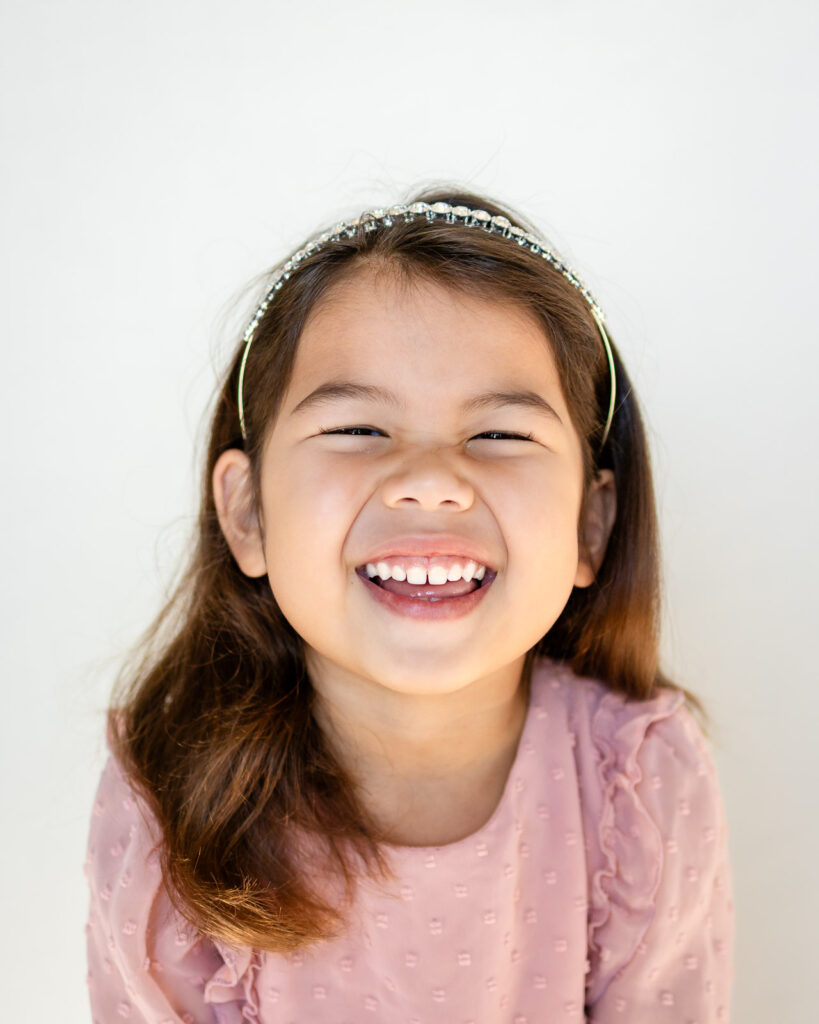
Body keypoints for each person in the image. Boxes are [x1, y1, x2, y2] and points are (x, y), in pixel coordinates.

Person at [85, 189, 735, 1023]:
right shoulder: (164, 792)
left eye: (499, 435)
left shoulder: (639, 778)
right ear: (248, 514)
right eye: (357, 429)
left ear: (589, 523)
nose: (430, 480)